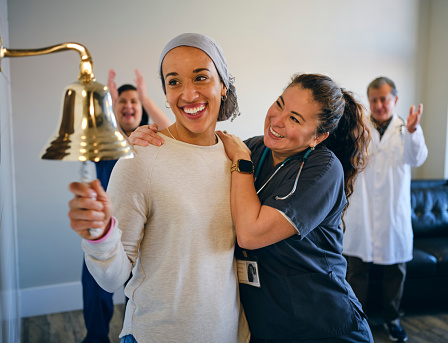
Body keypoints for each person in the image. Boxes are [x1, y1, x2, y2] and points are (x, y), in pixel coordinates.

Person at [132, 73, 374, 342]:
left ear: (317, 136)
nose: (277, 120)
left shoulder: (323, 169)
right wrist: (153, 141)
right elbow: (193, 151)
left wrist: (241, 162)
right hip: (267, 327)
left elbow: (250, 234)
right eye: (280, 104)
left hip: (322, 326)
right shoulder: (253, 148)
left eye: (294, 118)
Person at [68, 33, 249, 343]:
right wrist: (99, 236)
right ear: (165, 93)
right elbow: (113, 278)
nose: (189, 94)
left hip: (230, 334)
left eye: (201, 77)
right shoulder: (141, 156)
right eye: (174, 82)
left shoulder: (239, 156)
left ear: (223, 84)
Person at [81, 69, 171, 343]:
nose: (129, 105)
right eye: (122, 101)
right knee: (97, 287)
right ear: (113, 108)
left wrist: (145, 97)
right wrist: (106, 100)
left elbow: (171, 130)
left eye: (134, 101)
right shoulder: (105, 142)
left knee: (137, 294)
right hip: (106, 232)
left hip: (143, 233)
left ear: (141, 109)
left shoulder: (152, 140)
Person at [342, 77, 428, 342]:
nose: (379, 105)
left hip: (393, 214)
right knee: (356, 270)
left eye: (384, 99)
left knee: (395, 271)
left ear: (395, 100)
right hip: (361, 212)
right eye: (374, 100)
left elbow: (417, 158)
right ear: (369, 101)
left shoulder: (406, 129)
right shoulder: (358, 128)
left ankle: (393, 320)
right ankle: (357, 320)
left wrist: (413, 132)